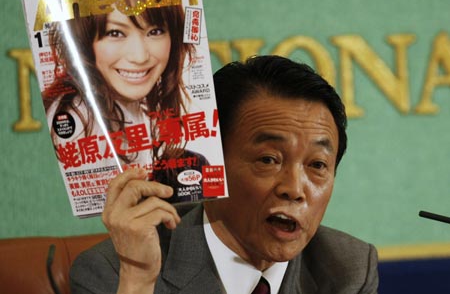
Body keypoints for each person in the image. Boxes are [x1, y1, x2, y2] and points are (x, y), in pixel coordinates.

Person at [70, 55, 379, 293]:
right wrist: (138, 281)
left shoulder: (347, 269)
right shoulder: (114, 270)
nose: (295, 189)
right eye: (269, 159)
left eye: (317, 165)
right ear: (212, 164)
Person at [44, 0, 207, 203]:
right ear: (84, 42)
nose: (140, 56)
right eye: (115, 33)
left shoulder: (136, 108)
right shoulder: (75, 119)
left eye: (155, 31)